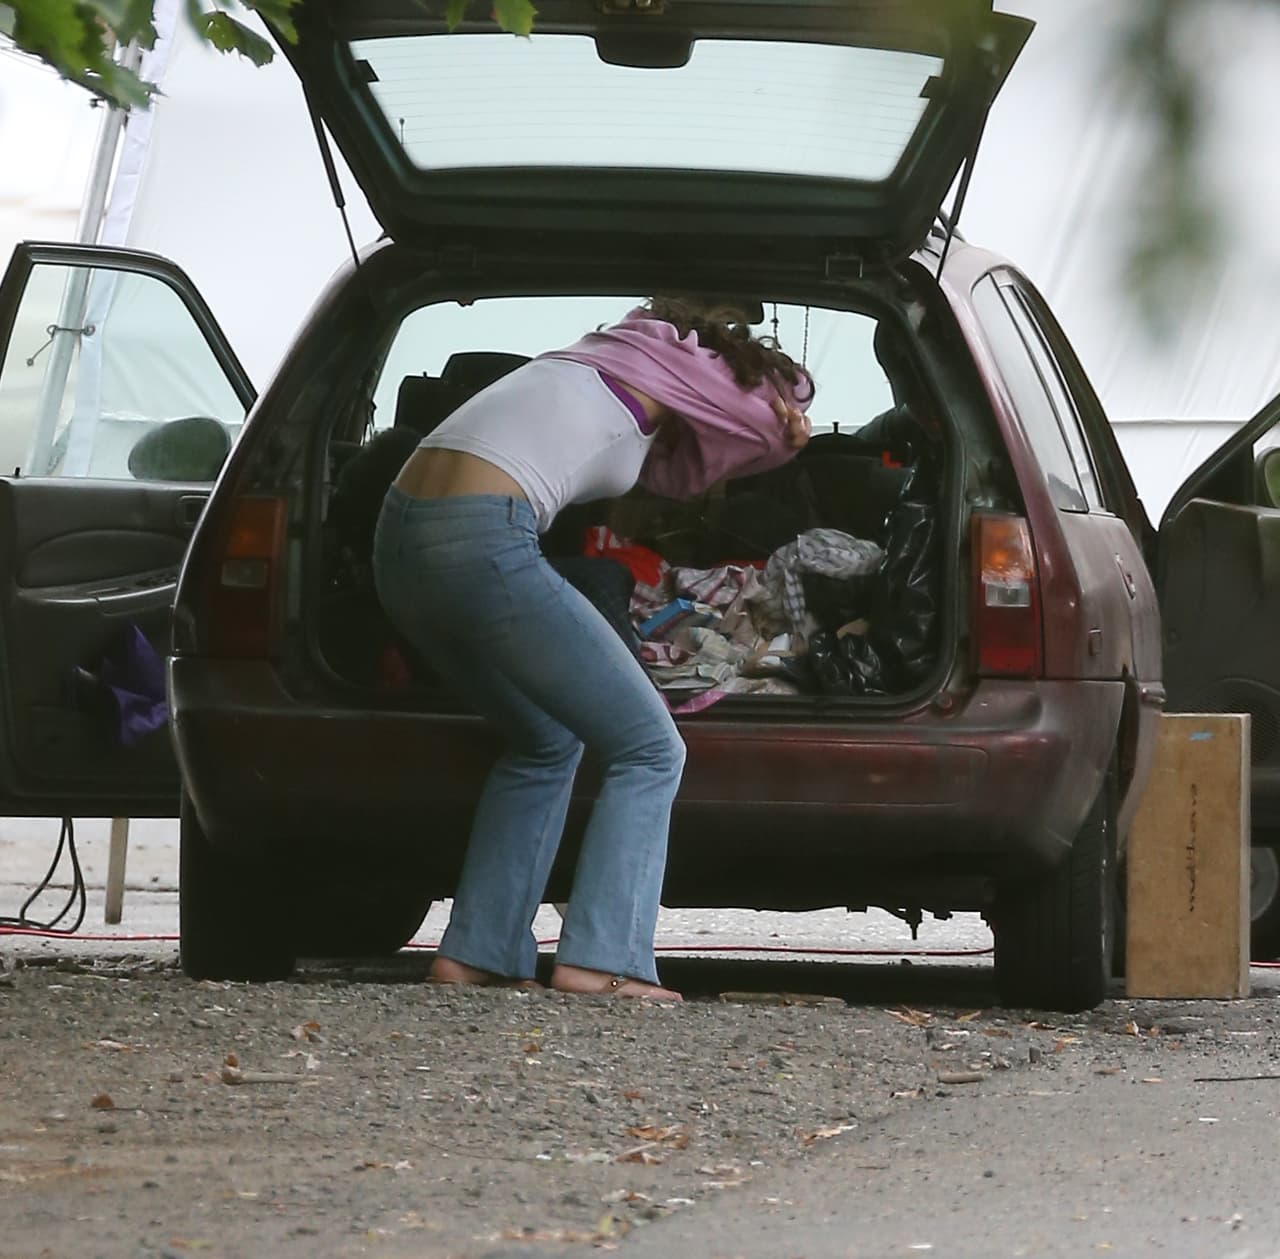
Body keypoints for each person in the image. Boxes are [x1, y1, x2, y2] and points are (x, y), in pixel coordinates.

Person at [372, 297, 815, 1001]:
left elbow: (674, 471)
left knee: (546, 738)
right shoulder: (672, 371)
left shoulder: (603, 363)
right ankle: (602, 960)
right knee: (651, 747)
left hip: (396, 545)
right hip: (483, 536)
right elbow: (779, 423)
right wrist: (791, 405)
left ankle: (479, 949)